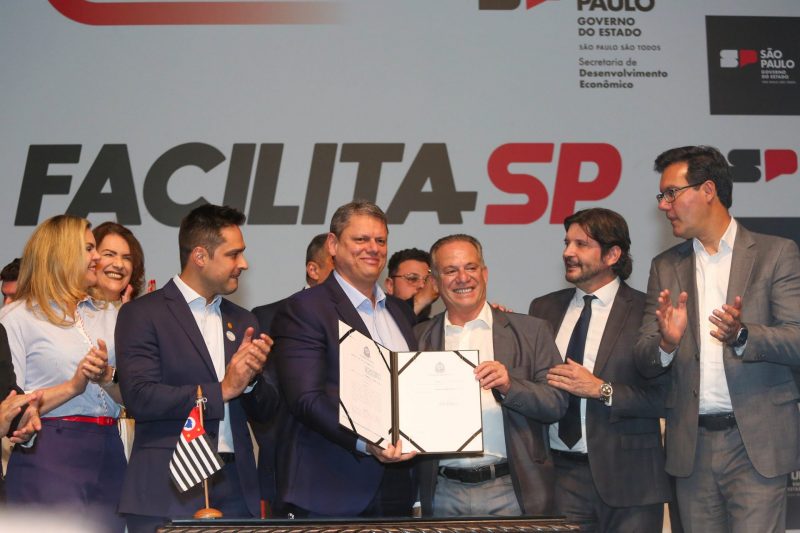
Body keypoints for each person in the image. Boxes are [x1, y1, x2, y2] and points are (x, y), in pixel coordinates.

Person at [634, 145, 800, 532]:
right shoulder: (665, 266)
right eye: (662, 196)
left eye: (671, 193)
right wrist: (666, 344)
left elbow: (796, 338)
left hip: (755, 442)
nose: (664, 205)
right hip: (692, 447)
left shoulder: (775, 254)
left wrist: (743, 335)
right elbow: (643, 356)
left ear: (708, 190)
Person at [115, 204, 280, 533]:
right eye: (233, 254)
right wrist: (223, 390)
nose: (243, 264)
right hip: (169, 485)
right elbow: (140, 397)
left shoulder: (243, 320)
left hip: (236, 486)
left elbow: (267, 412)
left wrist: (250, 382)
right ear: (200, 256)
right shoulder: (142, 314)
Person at [271, 200, 418, 518]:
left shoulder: (400, 312)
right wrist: (367, 442)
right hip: (330, 488)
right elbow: (306, 399)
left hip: (398, 489)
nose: (373, 248)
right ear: (333, 244)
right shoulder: (305, 308)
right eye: (361, 239)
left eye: (380, 240)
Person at [529, 208, 670, 531]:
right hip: (560, 476)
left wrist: (601, 390)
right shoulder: (543, 308)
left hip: (631, 480)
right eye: (567, 243)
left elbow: (666, 398)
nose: (568, 252)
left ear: (612, 254)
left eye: (581, 244)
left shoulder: (647, 311)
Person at [415, 234, 568, 517]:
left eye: (471, 267)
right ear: (435, 282)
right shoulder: (417, 338)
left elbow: (556, 403)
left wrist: (511, 386)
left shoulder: (531, 331)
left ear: (484, 273)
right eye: (451, 270)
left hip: (513, 489)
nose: (463, 278)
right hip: (443, 492)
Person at [0, 215, 125, 531]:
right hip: (48, 452)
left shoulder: (110, 315)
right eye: (88, 248)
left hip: (110, 449)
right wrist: (73, 386)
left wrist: (108, 376)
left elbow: (133, 396)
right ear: (61, 253)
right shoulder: (17, 318)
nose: (97, 257)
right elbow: (10, 405)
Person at [249, 232, 333, 515]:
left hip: (350, 466)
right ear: (313, 269)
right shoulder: (268, 317)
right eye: (335, 265)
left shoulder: (364, 318)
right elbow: (263, 398)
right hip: (287, 465)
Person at [92, 222, 146, 304]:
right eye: (109, 254)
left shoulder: (141, 310)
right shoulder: (72, 309)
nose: (119, 265)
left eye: (126, 258)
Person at [384, 248, 438, 321]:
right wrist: (419, 301)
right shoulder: (376, 320)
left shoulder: (440, 326)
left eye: (426, 280)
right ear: (390, 285)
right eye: (412, 279)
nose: (422, 286)